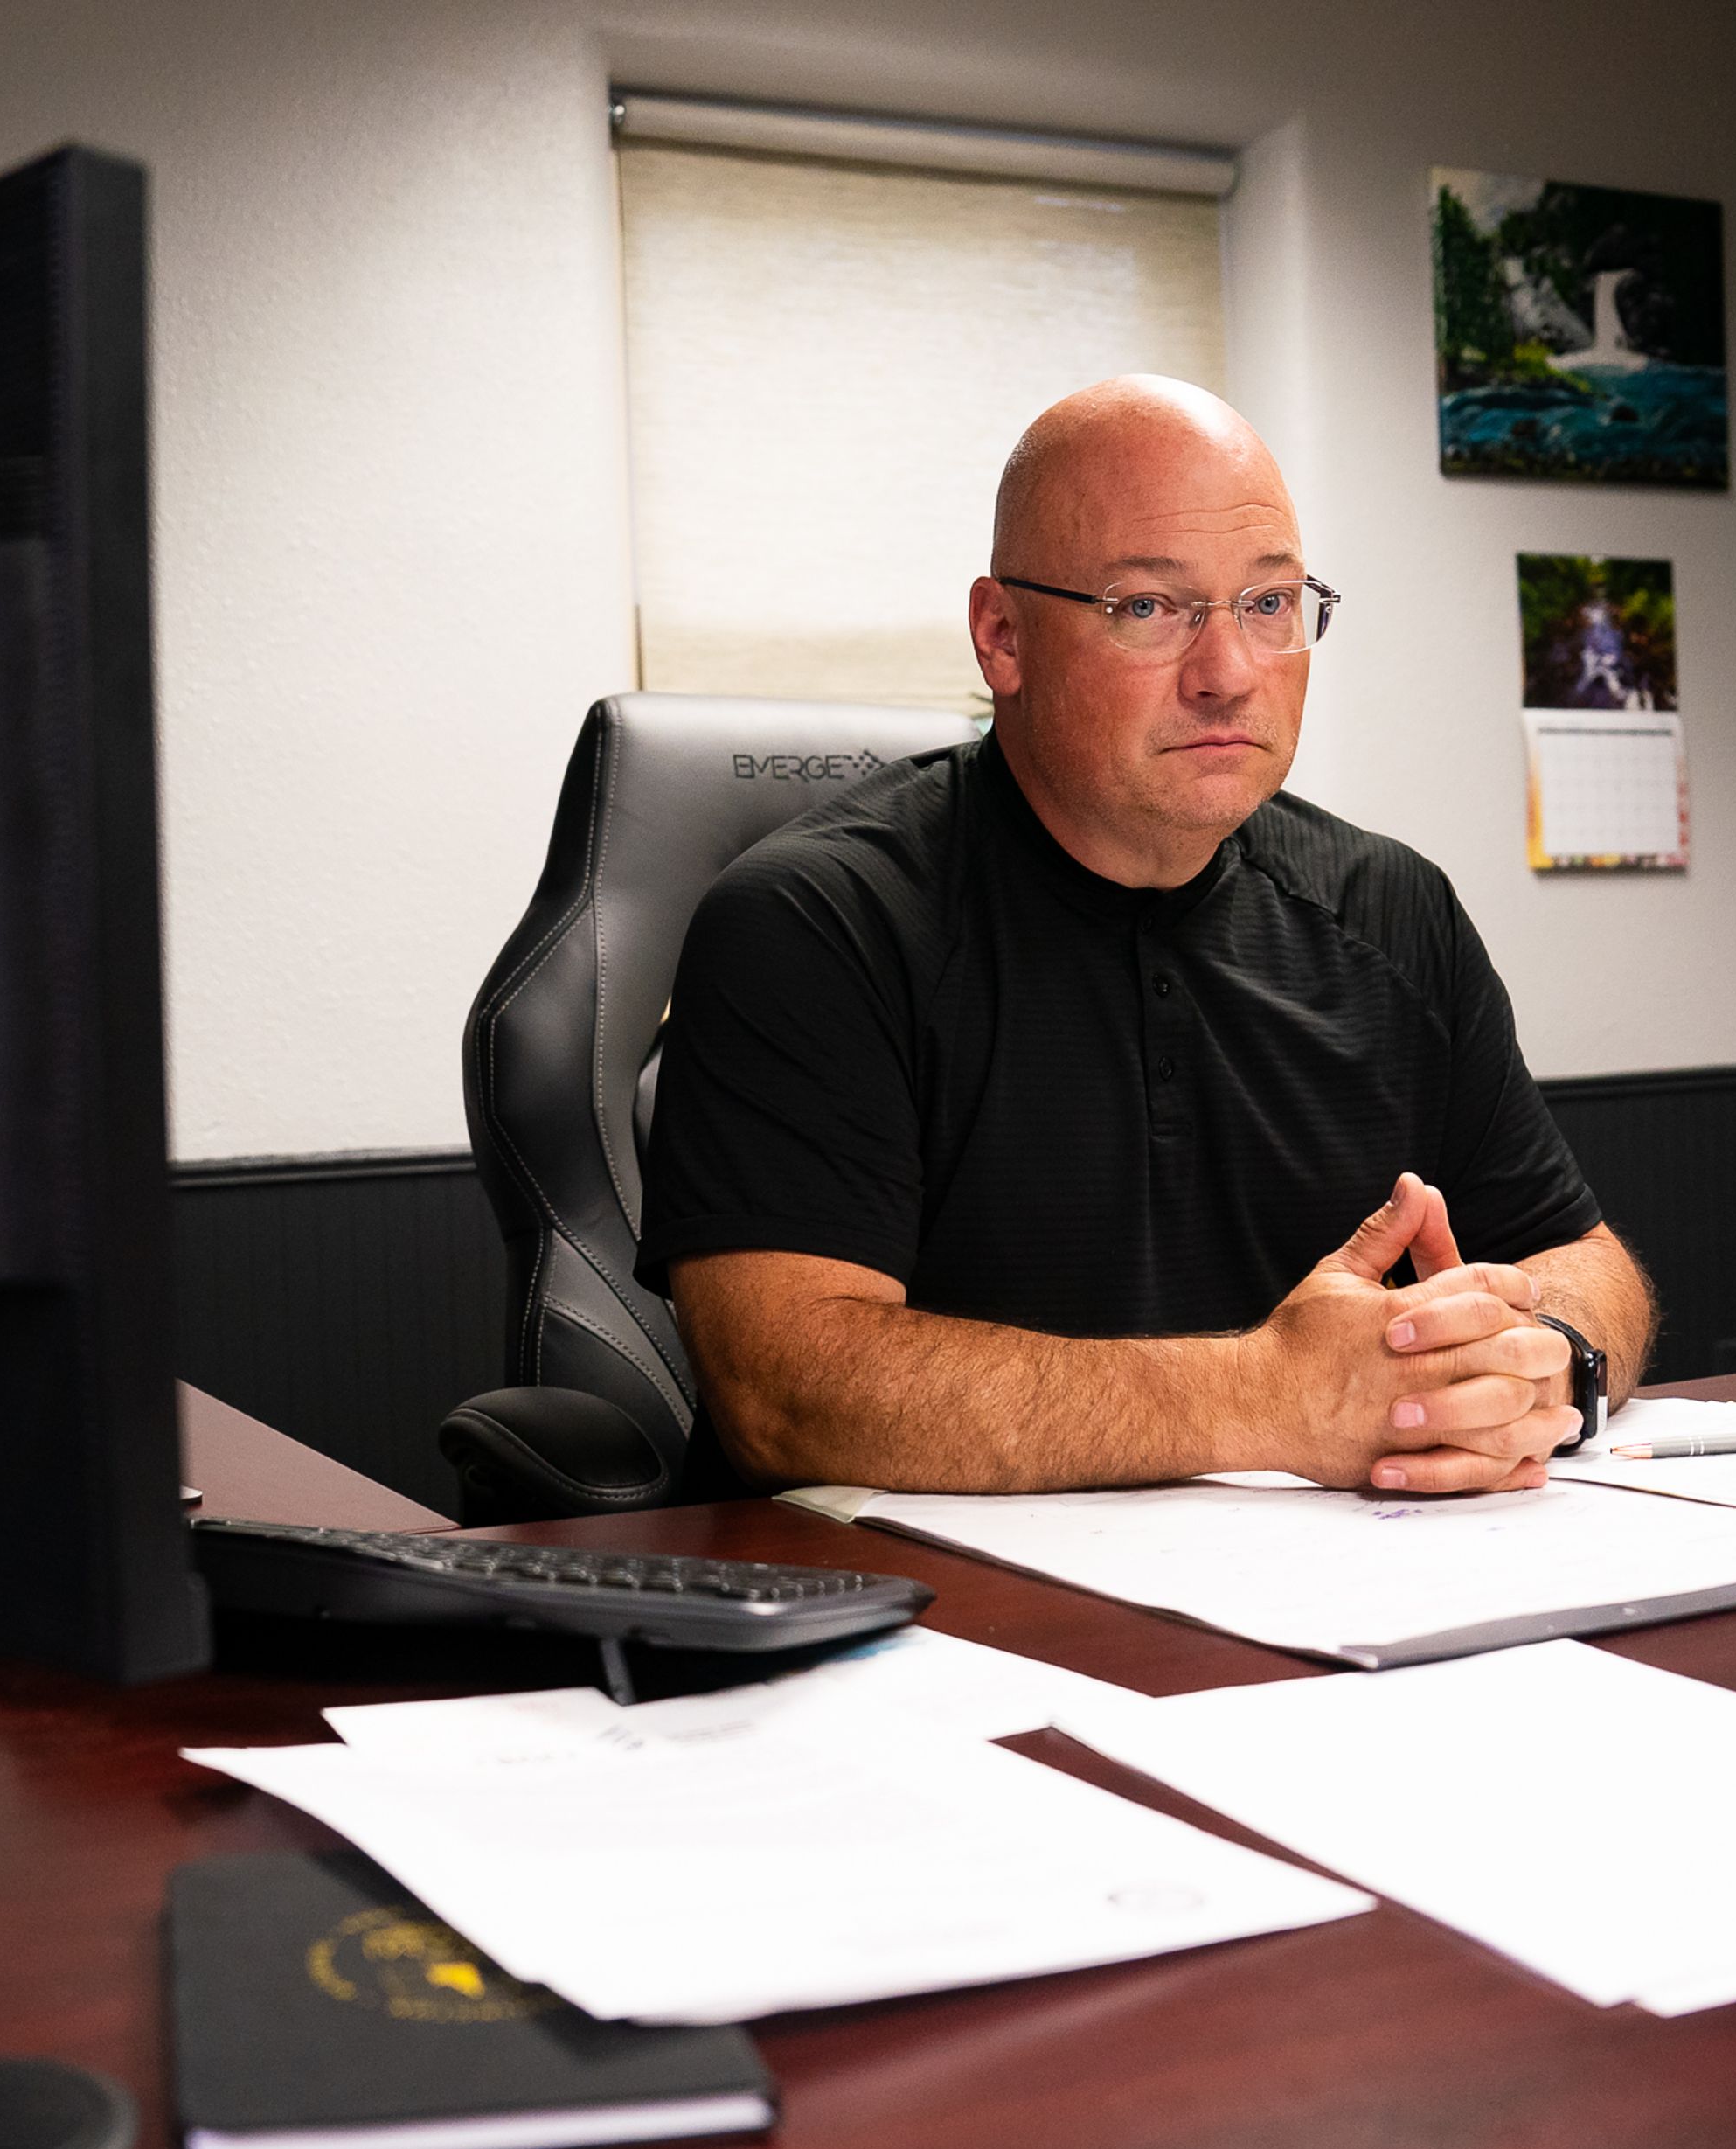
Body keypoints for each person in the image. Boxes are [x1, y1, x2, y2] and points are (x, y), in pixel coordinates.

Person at [635, 376, 1655, 1499]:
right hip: (915, 1625)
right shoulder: (813, 923)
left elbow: (1581, 1257)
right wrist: (1274, 1396)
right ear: (1003, 636)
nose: (1228, 673)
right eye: (1149, 609)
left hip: (1324, 1603)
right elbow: (787, 1390)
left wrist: (1539, 1359)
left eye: (1270, 605)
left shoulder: (1393, 910)